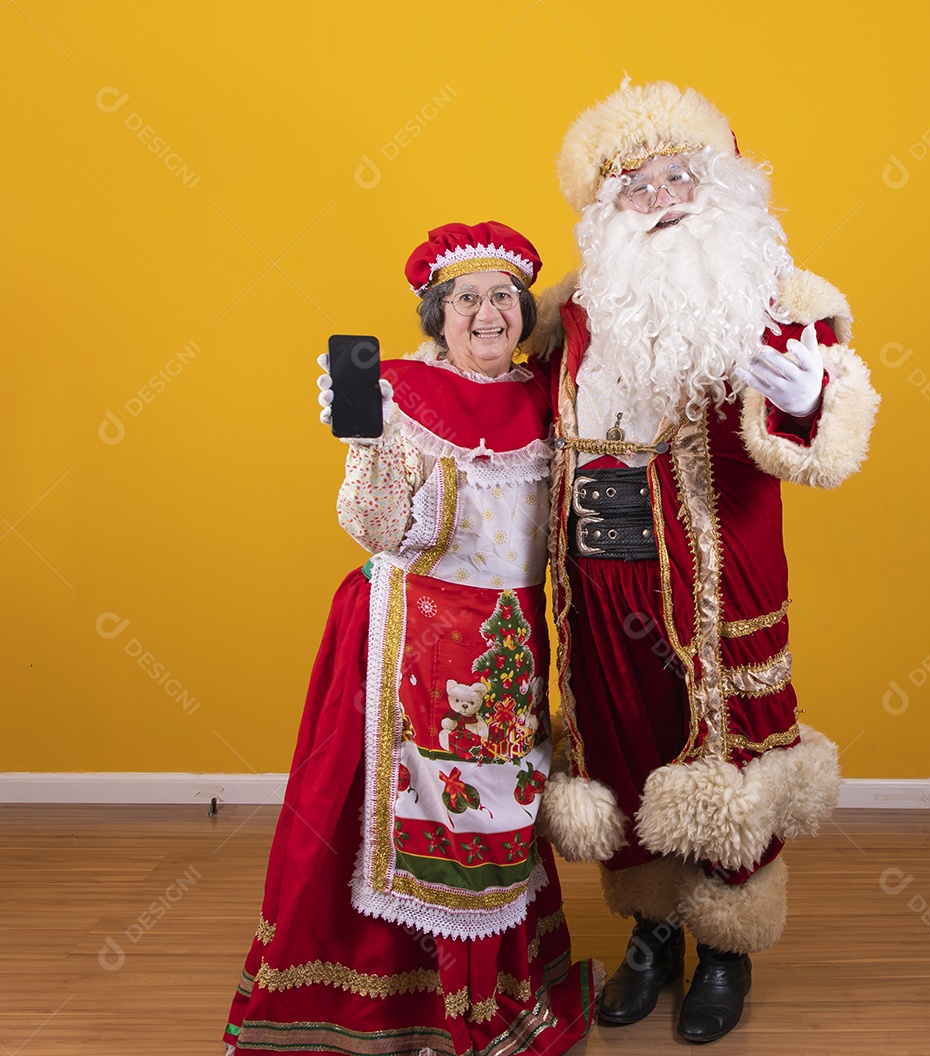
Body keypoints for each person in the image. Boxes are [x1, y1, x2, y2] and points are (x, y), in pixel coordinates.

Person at [525, 81, 881, 1043]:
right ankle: (652, 931)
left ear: (720, 182)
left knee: (730, 748)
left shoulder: (779, 296)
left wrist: (809, 398)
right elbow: (503, 407)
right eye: (635, 186)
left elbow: (824, 438)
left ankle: (726, 943)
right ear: (606, 209)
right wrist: (395, 401)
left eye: (678, 176)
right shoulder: (570, 316)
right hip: (597, 584)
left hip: (718, 579)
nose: (662, 198)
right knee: (622, 740)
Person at [223, 221, 599, 1055]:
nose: (488, 313)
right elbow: (379, 529)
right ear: (437, 314)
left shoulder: (550, 398)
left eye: (503, 296)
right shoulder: (399, 394)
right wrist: (368, 447)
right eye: (466, 299)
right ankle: (398, 1006)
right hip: (402, 638)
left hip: (506, 644)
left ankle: (491, 991)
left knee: (495, 812)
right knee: (383, 819)